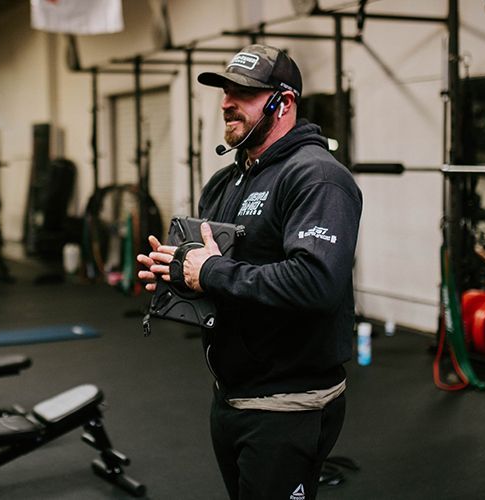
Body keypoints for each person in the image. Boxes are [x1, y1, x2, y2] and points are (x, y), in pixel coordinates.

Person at [137, 44, 362, 499]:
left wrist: (211, 270)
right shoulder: (224, 181)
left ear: (285, 102)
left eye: (244, 92)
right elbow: (223, 273)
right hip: (231, 395)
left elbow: (316, 283)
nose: (226, 102)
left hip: (288, 404)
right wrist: (176, 272)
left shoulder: (317, 178)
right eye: (225, 90)